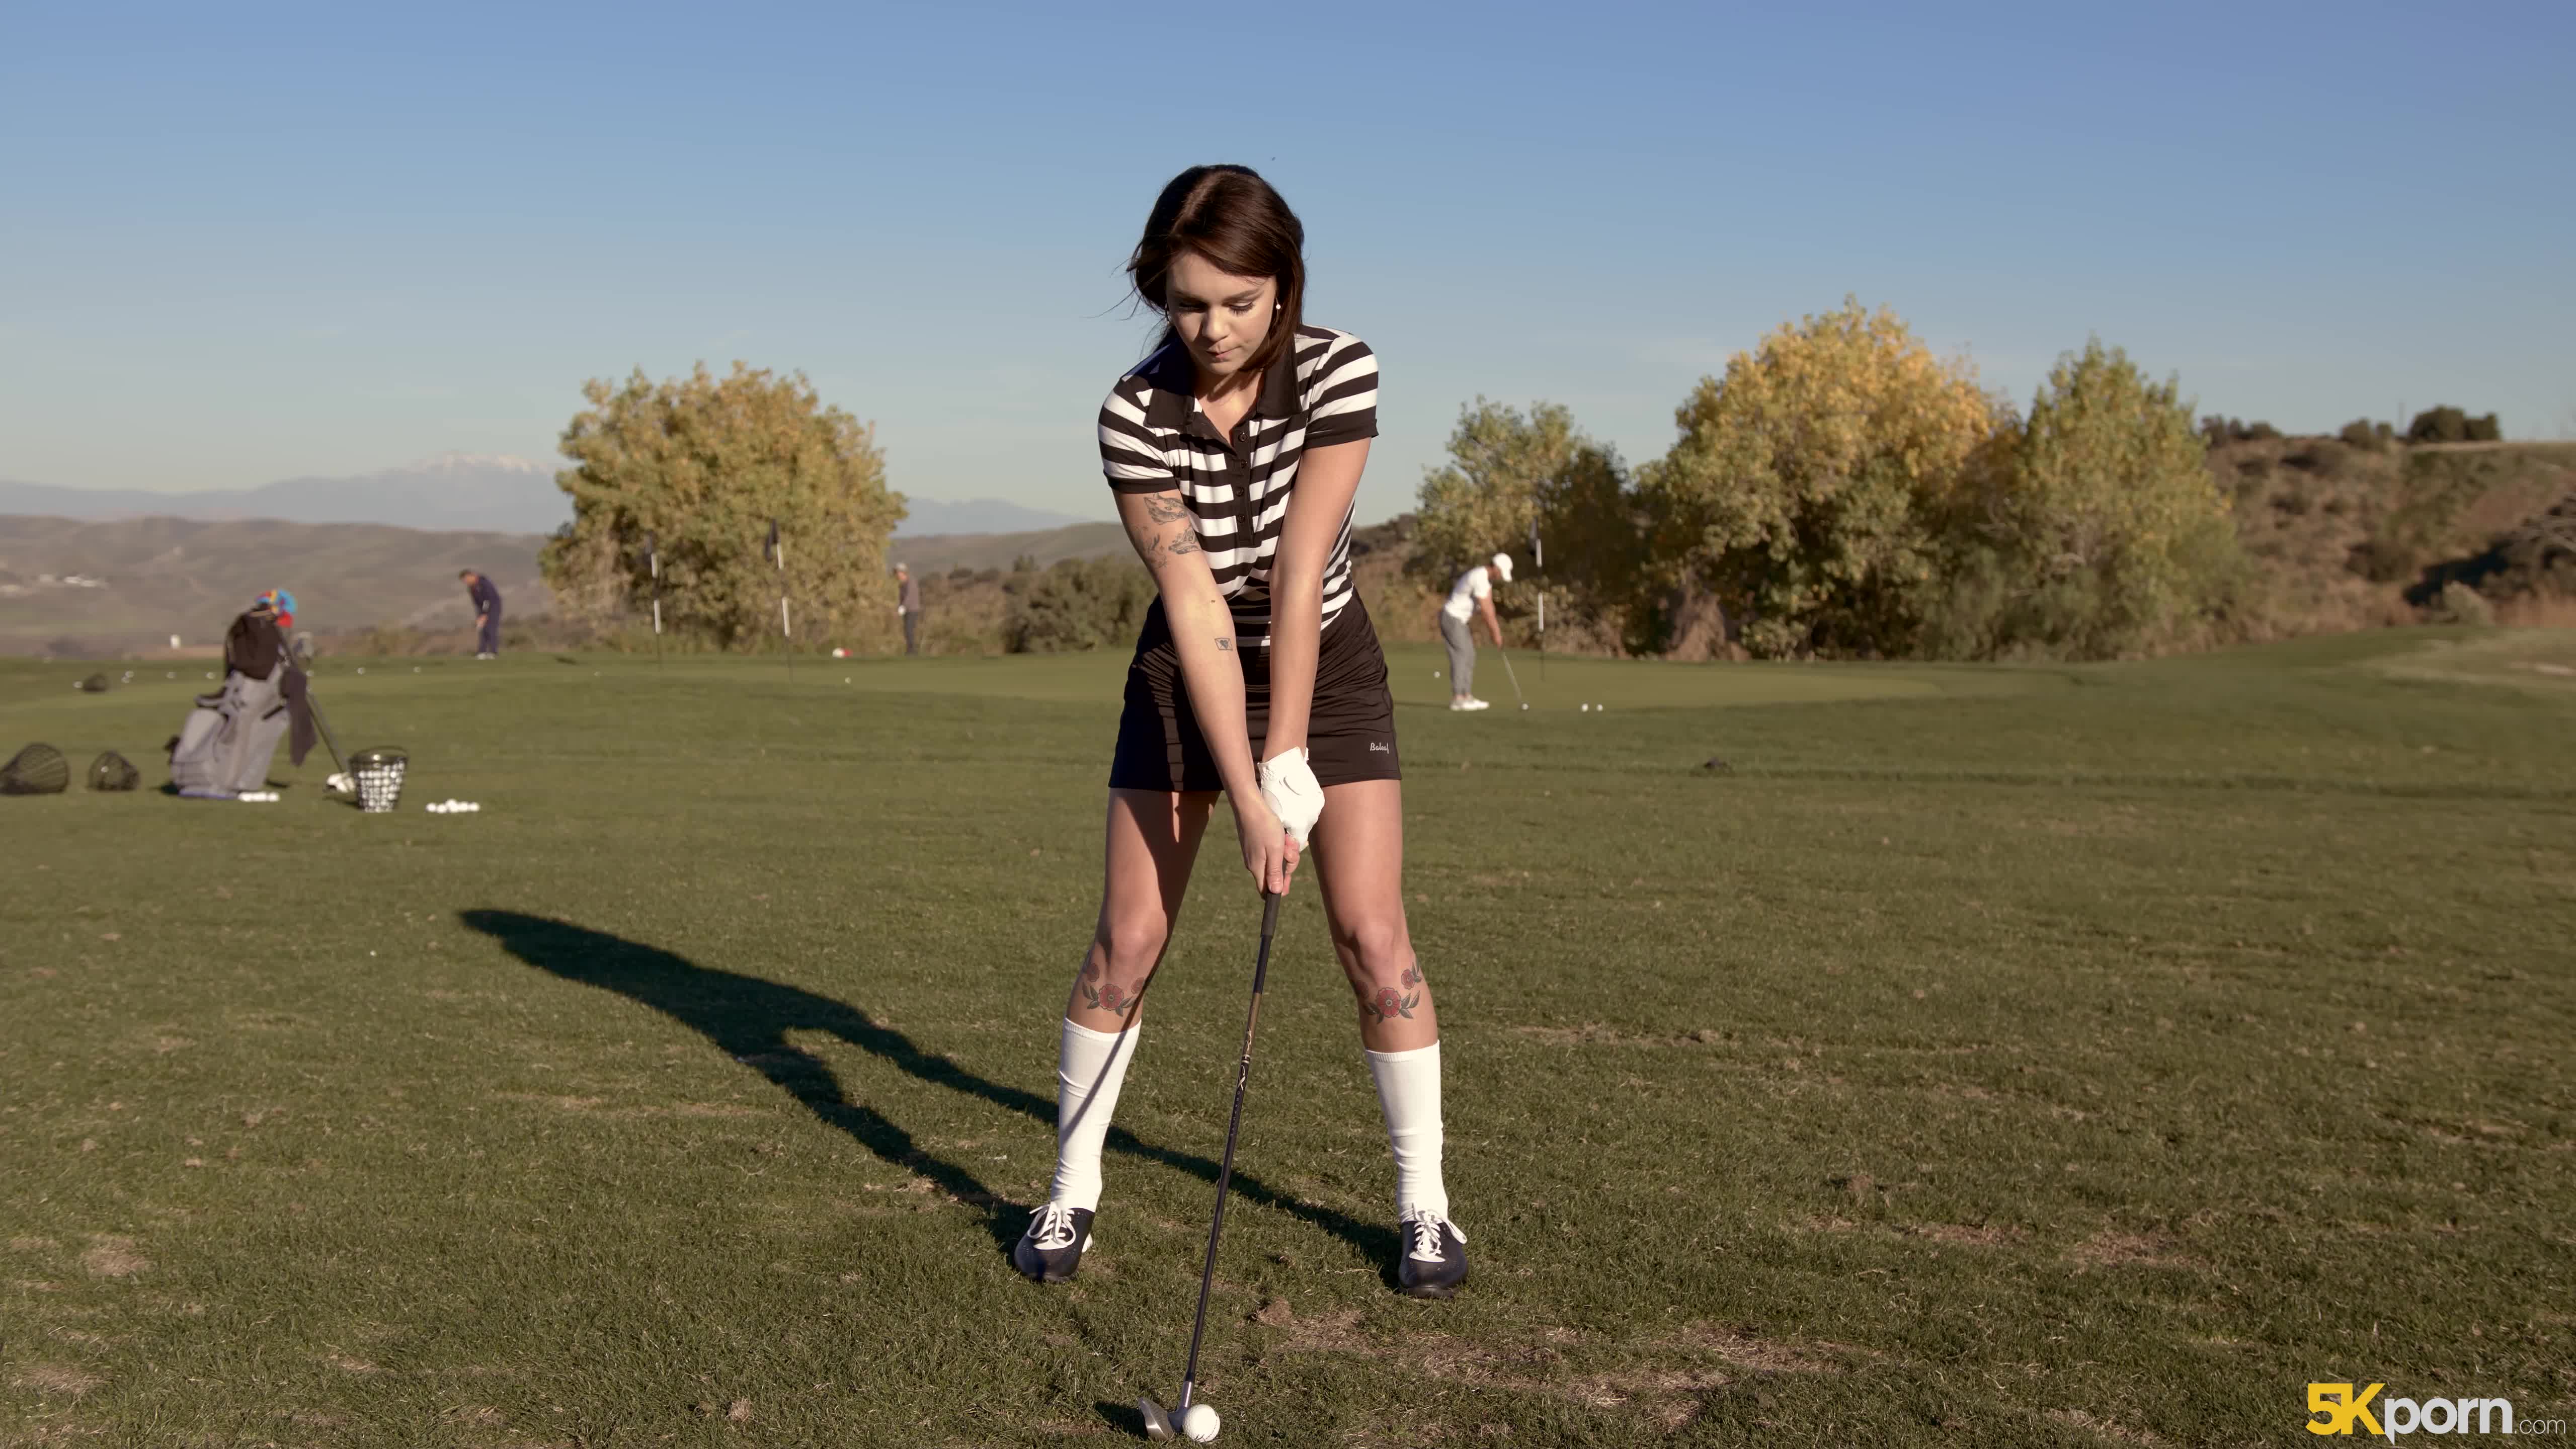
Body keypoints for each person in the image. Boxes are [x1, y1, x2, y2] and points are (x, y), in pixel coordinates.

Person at [1013, 165, 1468, 1300]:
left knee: (1373, 940)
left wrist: (1288, 758)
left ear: (1284, 286)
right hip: (1188, 670)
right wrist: (1254, 795)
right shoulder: (1133, 413)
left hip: (1329, 662)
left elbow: (1300, 571)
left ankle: (1426, 1209)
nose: (1212, 329)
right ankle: (1069, 1191)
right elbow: (1197, 601)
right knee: (1126, 943)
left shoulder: (1338, 370)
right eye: (1186, 303)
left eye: (1238, 302)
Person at [1439, 552, 1513, 710]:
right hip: (1452, 617)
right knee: (1462, 655)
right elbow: (1486, 610)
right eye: (1501, 573)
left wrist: (1496, 632)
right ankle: (1458, 699)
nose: (1501, 577)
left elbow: (1490, 605)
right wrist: (1496, 634)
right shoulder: (1480, 577)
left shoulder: (1487, 579)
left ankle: (1466, 696)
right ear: (1496, 568)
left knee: (1470, 654)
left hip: (1459, 620)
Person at [460, 569, 503, 658]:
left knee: (491, 629)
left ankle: (493, 652)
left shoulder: (484, 583)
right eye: (464, 581)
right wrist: (480, 616)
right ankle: (482, 652)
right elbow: (477, 603)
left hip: (493, 607)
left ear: (471, 576)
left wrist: (485, 614)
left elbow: (488, 599)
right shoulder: (471, 588)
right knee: (482, 629)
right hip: (482, 609)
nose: (466, 582)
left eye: (466, 580)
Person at [894, 562, 922, 655]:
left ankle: (912, 650)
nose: (897, 575)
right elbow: (902, 598)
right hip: (907, 610)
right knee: (907, 630)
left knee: (909, 629)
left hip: (913, 610)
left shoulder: (911, 582)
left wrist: (903, 607)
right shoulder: (902, 584)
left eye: (899, 572)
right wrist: (900, 606)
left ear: (903, 572)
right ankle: (910, 650)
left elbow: (909, 597)